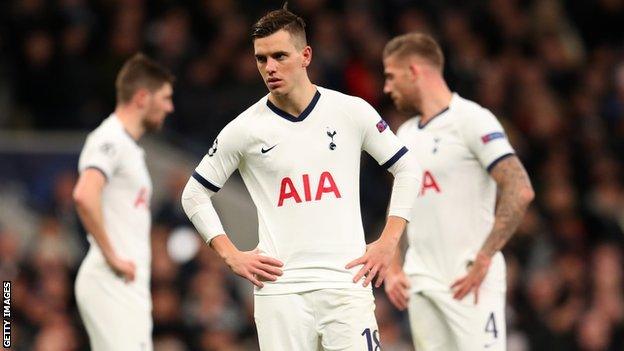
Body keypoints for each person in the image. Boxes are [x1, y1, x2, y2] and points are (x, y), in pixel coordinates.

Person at [180, 7, 421, 351]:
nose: (270, 68)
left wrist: (388, 241)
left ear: (305, 55)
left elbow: (408, 169)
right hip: (281, 292)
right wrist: (230, 254)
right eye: (261, 59)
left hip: (346, 283)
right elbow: (193, 195)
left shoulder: (351, 111)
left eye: (279, 56)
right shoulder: (244, 129)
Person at [381, 32, 535, 351]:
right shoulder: (405, 133)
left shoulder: (471, 119)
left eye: (391, 77)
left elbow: (519, 189)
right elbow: (401, 203)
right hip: (421, 282)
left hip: (468, 283)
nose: (387, 88)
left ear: (414, 71)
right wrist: (394, 266)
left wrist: (485, 256)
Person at [73, 53, 174, 351]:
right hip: (110, 280)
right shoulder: (110, 138)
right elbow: (83, 194)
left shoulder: (129, 148)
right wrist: (112, 256)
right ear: (143, 97)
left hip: (126, 286)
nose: (170, 107)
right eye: (166, 98)